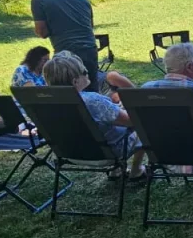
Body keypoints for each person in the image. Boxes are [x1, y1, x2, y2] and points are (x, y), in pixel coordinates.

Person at [42, 51, 146, 180]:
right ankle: (136, 171)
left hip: (68, 153)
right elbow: (132, 121)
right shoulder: (92, 100)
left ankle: (116, 171)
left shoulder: (44, 102)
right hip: (105, 153)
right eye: (84, 72)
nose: (88, 73)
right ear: (75, 81)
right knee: (143, 124)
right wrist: (127, 107)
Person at [30, 0, 99, 92]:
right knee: (91, 89)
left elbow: (41, 31)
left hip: (66, 53)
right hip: (90, 49)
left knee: (67, 93)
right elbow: (90, 25)